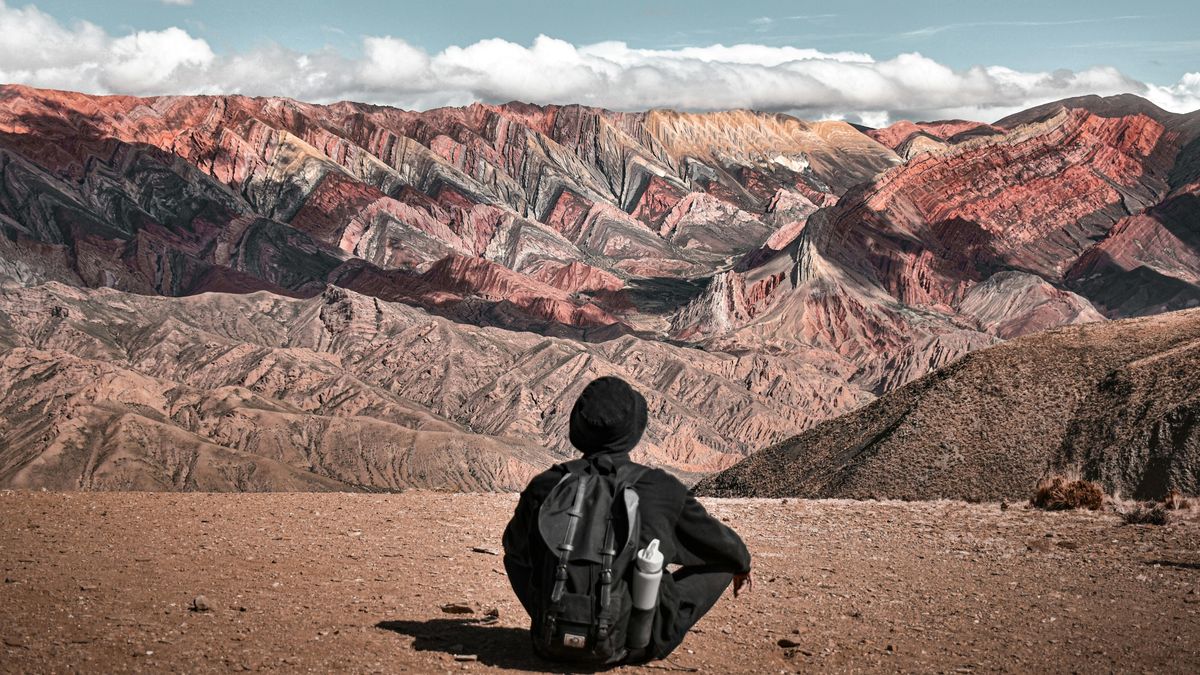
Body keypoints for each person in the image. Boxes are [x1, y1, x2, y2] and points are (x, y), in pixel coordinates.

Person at [502, 375, 752, 664]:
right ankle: (640, 632)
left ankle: (563, 626)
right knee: (725, 562)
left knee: (516, 558)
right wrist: (741, 564)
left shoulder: (546, 485)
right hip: (635, 646)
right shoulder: (661, 490)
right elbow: (720, 544)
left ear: (577, 427)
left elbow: (515, 549)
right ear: (633, 430)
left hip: (551, 634)